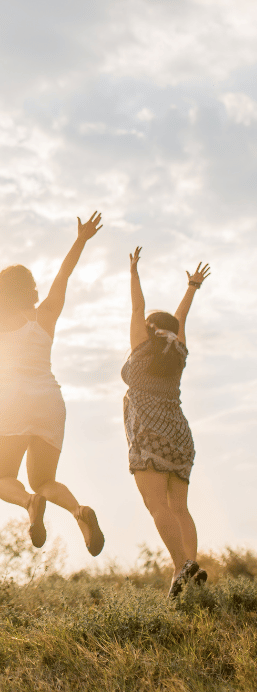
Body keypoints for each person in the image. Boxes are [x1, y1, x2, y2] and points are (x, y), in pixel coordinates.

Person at [0, 202, 104, 555]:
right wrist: (80, 240)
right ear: (32, 289)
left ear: (4, 289)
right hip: (48, 398)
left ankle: (28, 503)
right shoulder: (47, 313)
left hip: (10, 397)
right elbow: (64, 276)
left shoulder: (0, 312)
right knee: (45, 479)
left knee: (1, 479)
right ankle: (79, 512)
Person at [125, 247, 210, 597]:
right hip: (179, 434)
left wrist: (133, 273)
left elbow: (137, 309)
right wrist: (192, 285)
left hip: (149, 431)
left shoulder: (142, 345)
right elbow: (180, 319)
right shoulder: (178, 350)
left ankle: (181, 566)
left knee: (155, 504)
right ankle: (188, 569)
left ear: (149, 328)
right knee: (180, 507)